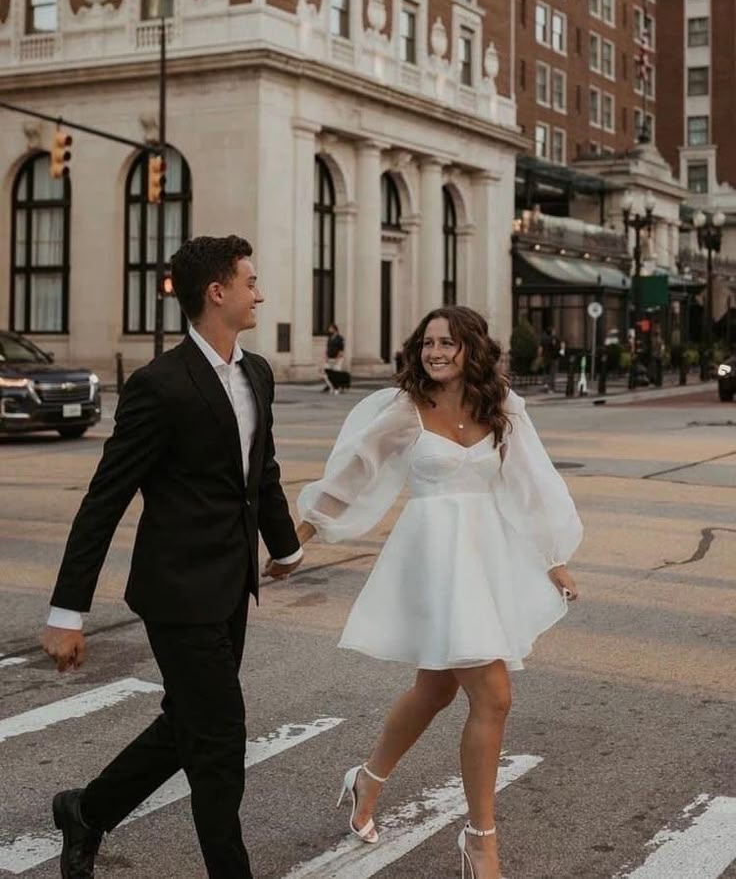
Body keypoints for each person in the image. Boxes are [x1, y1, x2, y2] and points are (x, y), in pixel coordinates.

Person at [267, 306, 582, 879]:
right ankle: (482, 840)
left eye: (449, 343)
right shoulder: (404, 411)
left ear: (472, 350)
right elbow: (350, 477)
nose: (436, 352)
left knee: (435, 690)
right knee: (494, 697)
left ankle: (365, 780)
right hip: (435, 564)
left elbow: (530, 483)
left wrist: (553, 558)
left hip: (485, 561)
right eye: (429, 342)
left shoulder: (501, 406)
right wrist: (299, 539)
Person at [40, 235, 306, 879]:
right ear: (217, 293)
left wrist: (285, 546)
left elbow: (259, 472)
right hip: (177, 590)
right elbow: (105, 499)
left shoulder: (257, 372)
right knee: (218, 740)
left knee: (188, 722)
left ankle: (87, 809)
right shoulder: (160, 385)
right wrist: (67, 610)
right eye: (250, 282)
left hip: (232, 584)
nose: (259, 293)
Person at [322, 323, 345, 394]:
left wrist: (337, 359)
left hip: (337, 359)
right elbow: (328, 348)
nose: (329, 330)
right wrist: (326, 357)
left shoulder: (340, 338)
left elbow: (341, 350)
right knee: (325, 373)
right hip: (330, 358)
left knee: (336, 374)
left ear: (334, 329)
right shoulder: (330, 338)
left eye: (330, 328)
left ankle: (338, 387)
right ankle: (331, 386)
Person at [540, 325, 561, 392]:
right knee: (552, 373)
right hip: (553, 358)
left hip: (545, 358)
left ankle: (545, 385)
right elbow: (558, 348)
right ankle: (551, 387)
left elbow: (540, 348)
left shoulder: (544, 338)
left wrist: (540, 356)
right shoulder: (555, 338)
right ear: (552, 332)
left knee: (546, 372)